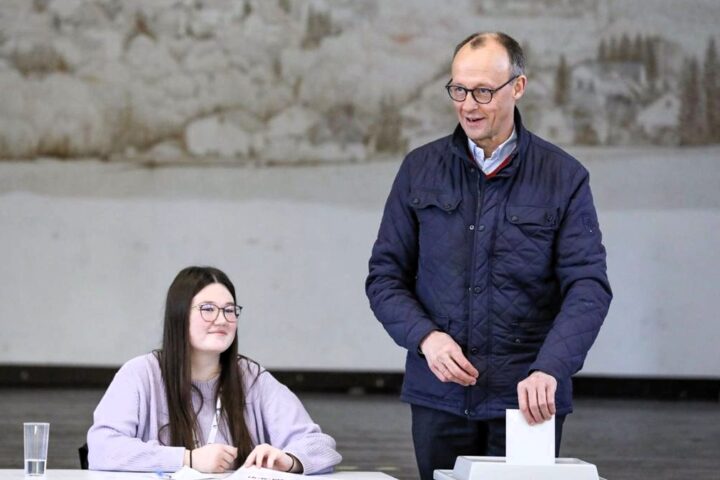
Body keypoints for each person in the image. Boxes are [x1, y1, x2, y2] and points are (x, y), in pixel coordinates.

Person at [365, 32, 612, 479]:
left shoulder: (564, 177)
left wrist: (551, 369)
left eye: (483, 91)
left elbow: (588, 288)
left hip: (526, 398)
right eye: (458, 90)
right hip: (438, 394)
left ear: (518, 87)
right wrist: (426, 338)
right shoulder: (419, 170)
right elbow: (384, 276)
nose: (469, 105)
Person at [87, 266, 341, 474]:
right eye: (208, 309)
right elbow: (101, 448)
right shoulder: (141, 374)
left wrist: (289, 459)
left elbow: (321, 447)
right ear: (179, 315)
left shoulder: (252, 378)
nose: (222, 320)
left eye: (229, 310)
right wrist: (187, 459)